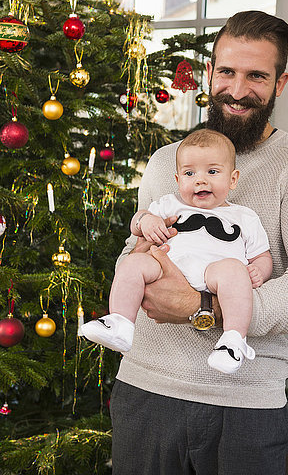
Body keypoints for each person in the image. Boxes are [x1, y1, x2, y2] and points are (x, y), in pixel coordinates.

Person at [110, 11, 288, 475]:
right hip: (144, 391)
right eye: (226, 72)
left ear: (281, 82)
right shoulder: (165, 162)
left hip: (243, 406)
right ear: (210, 72)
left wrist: (200, 305)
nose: (237, 90)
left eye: (256, 75)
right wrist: (142, 253)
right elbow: (134, 250)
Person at [80, 129, 273, 374]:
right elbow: (138, 221)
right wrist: (146, 222)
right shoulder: (169, 204)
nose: (200, 180)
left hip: (214, 275)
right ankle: (120, 322)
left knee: (235, 272)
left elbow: (262, 256)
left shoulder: (244, 216)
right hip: (166, 267)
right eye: (189, 173)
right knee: (134, 263)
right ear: (178, 178)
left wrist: (259, 271)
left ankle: (233, 341)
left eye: (212, 172)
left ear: (233, 179)